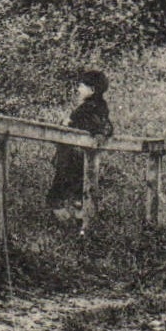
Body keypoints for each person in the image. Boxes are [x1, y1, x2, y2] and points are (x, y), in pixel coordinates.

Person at [47, 70, 113, 225]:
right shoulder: (102, 107)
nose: (78, 89)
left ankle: (69, 222)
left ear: (92, 90)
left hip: (72, 155)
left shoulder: (86, 108)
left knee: (60, 189)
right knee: (79, 191)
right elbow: (106, 126)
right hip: (83, 156)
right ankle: (80, 226)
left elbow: (72, 123)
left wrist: (66, 122)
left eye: (81, 86)